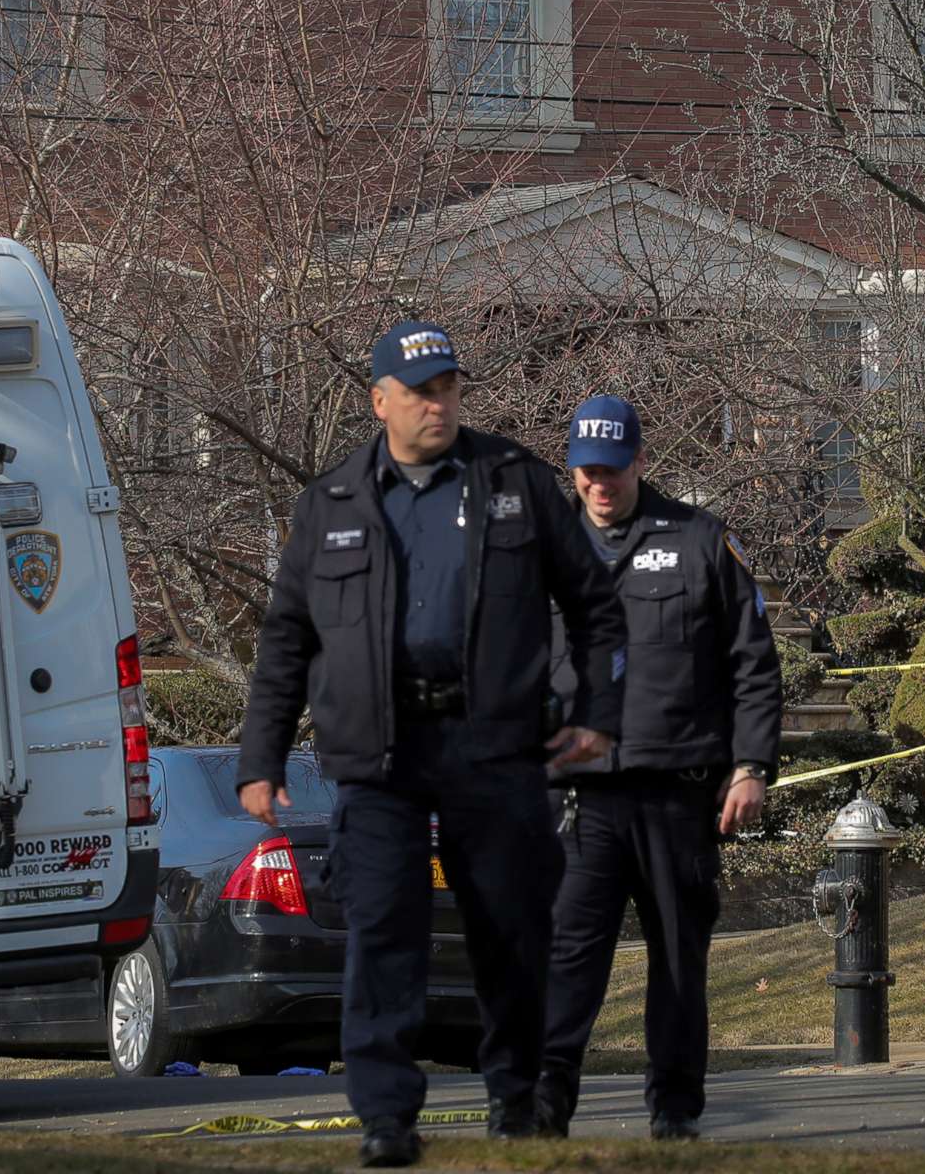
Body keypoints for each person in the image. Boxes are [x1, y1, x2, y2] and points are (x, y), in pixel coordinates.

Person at [236, 321, 627, 1169]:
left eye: (448, 387)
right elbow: (284, 642)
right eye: (420, 391)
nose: (438, 403)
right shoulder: (331, 502)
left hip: (495, 746)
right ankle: (386, 1118)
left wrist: (593, 712)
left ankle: (515, 1099)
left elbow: (595, 605)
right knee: (383, 928)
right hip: (379, 756)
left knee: (509, 928)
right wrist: (260, 760)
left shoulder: (512, 481)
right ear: (380, 402)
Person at [537, 394, 783, 1142]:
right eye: (587, 472)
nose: (600, 485)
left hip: (678, 796)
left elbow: (754, 665)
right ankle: (543, 1107)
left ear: (641, 460)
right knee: (566, 962)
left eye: (613, 469)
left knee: (678, 964)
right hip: (580, 801)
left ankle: (674, 1112)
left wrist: (750, 767)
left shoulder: (701, 542)